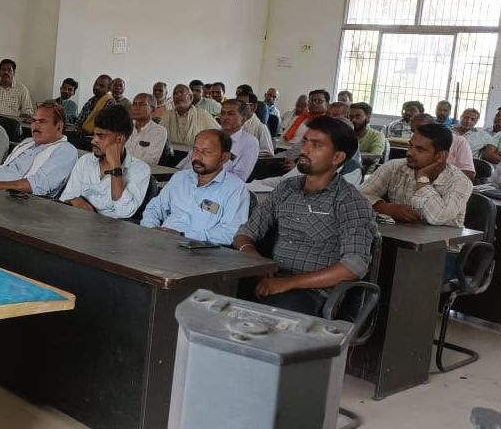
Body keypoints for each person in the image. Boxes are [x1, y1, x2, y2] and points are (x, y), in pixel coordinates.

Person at [233, 116, 376, 315]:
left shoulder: (350, 202)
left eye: (316, 145)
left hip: (313, 292)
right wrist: (256, 260)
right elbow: (245, 233)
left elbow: (354, 266)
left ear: (337, 158)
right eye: (305, 141)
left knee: (265, 316)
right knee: (211, 293)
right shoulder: (286, 188)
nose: (304, 150)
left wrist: (288, 283)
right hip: (269, 278)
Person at [140, 129, 248, 245]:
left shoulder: (235, 189)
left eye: (207, 152)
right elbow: (154, 208)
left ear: (224, 157)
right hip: (161, 242)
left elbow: (230, 232)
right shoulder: (180, 178)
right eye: (195, 150)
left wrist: (183, 236)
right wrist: (151, 229)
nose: (197, 156)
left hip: (199, 249)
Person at [360, 123, 473, 227]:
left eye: (420, 149)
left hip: (444, 241)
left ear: (441, 156)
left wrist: (423, 178)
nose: (409, 152)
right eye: (410, 146)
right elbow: (358, 197)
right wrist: (387, 208)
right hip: (401, 237)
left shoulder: (460, 181)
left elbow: (439, 218)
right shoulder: (394, 167)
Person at [0, 103, 75, 197]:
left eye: (42, 121)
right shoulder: (28, 142)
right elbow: (4, 168)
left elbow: (37, 185)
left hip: (10, 197)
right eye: (34, 121)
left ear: (59, 126)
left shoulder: (65, 150)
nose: (35, 126)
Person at [59, 106, 151, 219]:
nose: (93, 141)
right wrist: (76, 202)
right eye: (94, 134)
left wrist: (116, 166)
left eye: (101, 136)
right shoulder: (85, 161)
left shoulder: (140, 169)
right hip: (77, 222)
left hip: (112, 229)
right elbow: (66, 199)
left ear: (119, 139)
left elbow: (124, 212)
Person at [178, 99, 258, 181]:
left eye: (231, 114)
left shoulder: (250, 143)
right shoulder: (210, 134)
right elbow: (188, 160)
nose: (225, 117)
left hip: (217, 185)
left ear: (243, 119)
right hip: (186, 180)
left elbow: (239, 177)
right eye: (223, 113)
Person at [410, 113, 474, 180]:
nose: (416, 135)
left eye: (423, 131)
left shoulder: (458, 141)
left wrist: (440, 179)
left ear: (435, 127)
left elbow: (469, 173)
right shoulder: (414, 142)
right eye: (413, 131)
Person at [127, 93, 168, 164]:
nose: (136, 108)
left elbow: (152, 160)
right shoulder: (124, 126)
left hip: (141, 169)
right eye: (134, 104)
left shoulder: (159, 131)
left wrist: (125, 160)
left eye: (142, 104)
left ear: (153, 109)